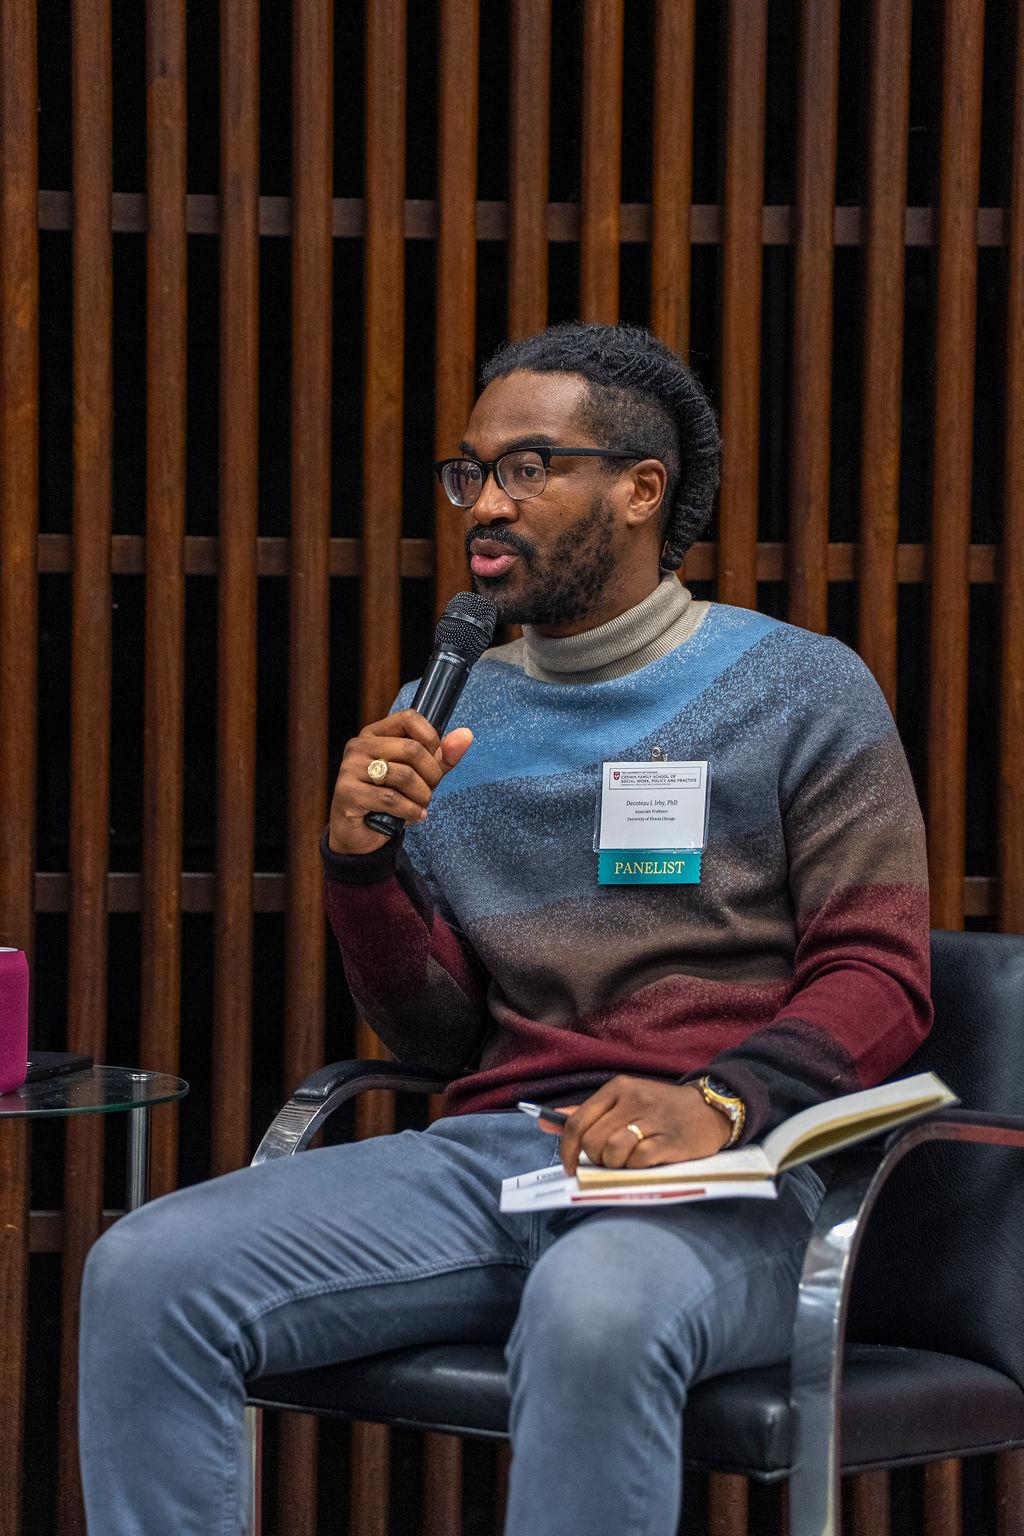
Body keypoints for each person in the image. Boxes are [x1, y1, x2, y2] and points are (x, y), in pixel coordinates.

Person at [79, 322, 932, 1535]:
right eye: (470, 471)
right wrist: (359, 866)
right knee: (146, 1273)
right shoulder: (445, 710)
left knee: (594, 1303)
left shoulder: (800, 688)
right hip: (504, 1162)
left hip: (732, 1176)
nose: (484, 502)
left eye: (528, 467)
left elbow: (881, 976)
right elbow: (433, 1032)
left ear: (641, 491)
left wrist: (719, 1098)